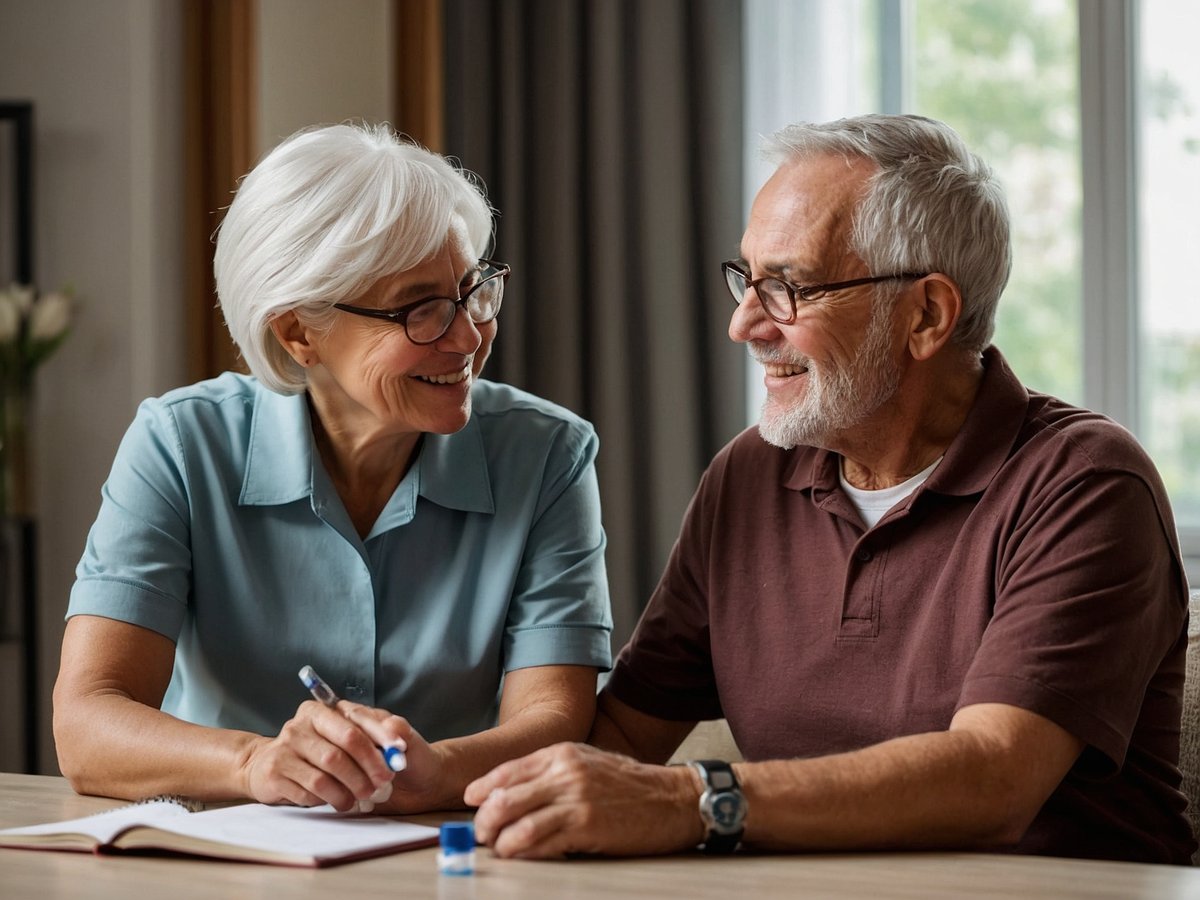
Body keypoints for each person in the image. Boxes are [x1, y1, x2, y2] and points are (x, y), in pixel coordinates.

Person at [464, 114, 1195, 864]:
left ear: (927, 315)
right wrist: (419, 772)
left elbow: (993, 778)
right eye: (747, 280)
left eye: (787, 288)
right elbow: (621, 737)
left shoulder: (1085, 482)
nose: (744, 323)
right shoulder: (749, 476)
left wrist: (693, 801)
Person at [53, 123, 612, 815]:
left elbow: (556, 721)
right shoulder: (180, 443)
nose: (468, 336)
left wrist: (435, 771)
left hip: (451, 855)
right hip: (219, 864)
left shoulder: (548, 453)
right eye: (421, 310)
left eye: (472, 291)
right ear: (298, 333)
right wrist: (255, 762)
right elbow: (86, 725)